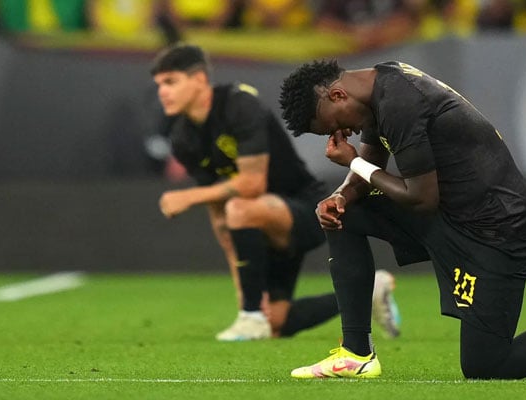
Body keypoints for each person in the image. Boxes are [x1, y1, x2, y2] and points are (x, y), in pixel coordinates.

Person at [279, 59, 526, 379]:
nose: (339, 135)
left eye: (331, 125)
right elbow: (374, 162)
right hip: (456, 216)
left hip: (499, 230)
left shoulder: (400, 102)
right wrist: (341, 194)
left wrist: (352, 162)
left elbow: (420, 197)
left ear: (337, 96)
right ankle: (356, 354)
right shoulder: (377, 92)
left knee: (486, 365)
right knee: (345, 213)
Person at [150, 44, 401, 341]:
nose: (162, 92)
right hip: (254, 227)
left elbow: (252, 184)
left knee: (240, 207)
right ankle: (371, 289)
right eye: (159, 85)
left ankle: (252, 318)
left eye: (171, 82)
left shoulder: (238, 105)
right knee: (276, 323)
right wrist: (245, 294)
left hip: (305, 208)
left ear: (200, 79)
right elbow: (219, 215)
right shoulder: (183, 138)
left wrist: (186, 197)